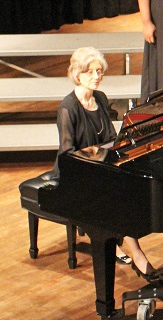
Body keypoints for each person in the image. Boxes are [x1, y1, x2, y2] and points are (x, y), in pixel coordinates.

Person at [56, 47, 156, 280]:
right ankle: (137, 253)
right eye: (90, 72)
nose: (96, 77)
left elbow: (111, 138)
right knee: (114, 196)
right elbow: (67, 154)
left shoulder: (99, 98)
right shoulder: (67, 108)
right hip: (77, 173)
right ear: (77, 74)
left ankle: (118, 240)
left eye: (99, 71)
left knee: (130, 187)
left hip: (100, 166)